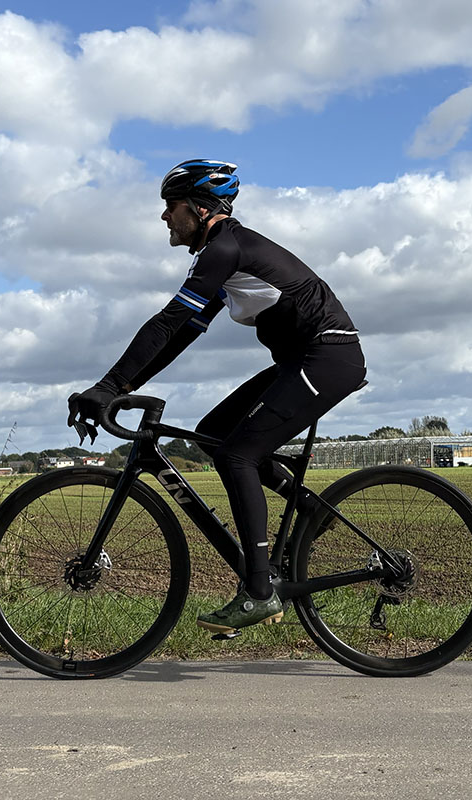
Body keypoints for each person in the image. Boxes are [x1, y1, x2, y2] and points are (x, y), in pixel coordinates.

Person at [68, 159, 366, 633]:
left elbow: (166, 322)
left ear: (201, 208)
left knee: (237, 457)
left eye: (171, 206)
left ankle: (259, 591)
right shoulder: (223, 255)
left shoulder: (225, 249)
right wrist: (119, 387)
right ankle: (308, 508)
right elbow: (181, 332)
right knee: (212, 434)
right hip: (304, 360)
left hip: (327, 358)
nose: (164, 217)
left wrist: (106, 387)